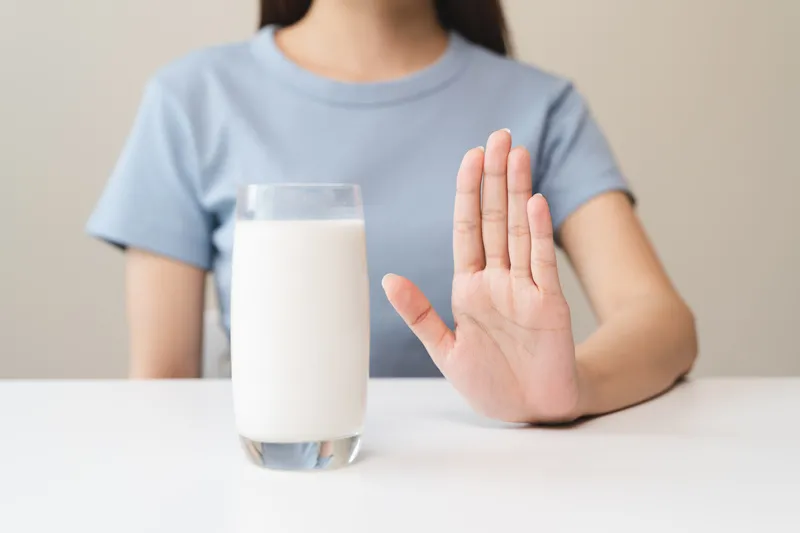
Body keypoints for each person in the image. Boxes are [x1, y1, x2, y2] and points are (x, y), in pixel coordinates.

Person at [87, 0, 697, 423]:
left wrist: (571, 389)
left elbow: (660, 320)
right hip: (278, 486)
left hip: (497, 485)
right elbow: (162, 387)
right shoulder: (190, 99)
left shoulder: (543, 107)